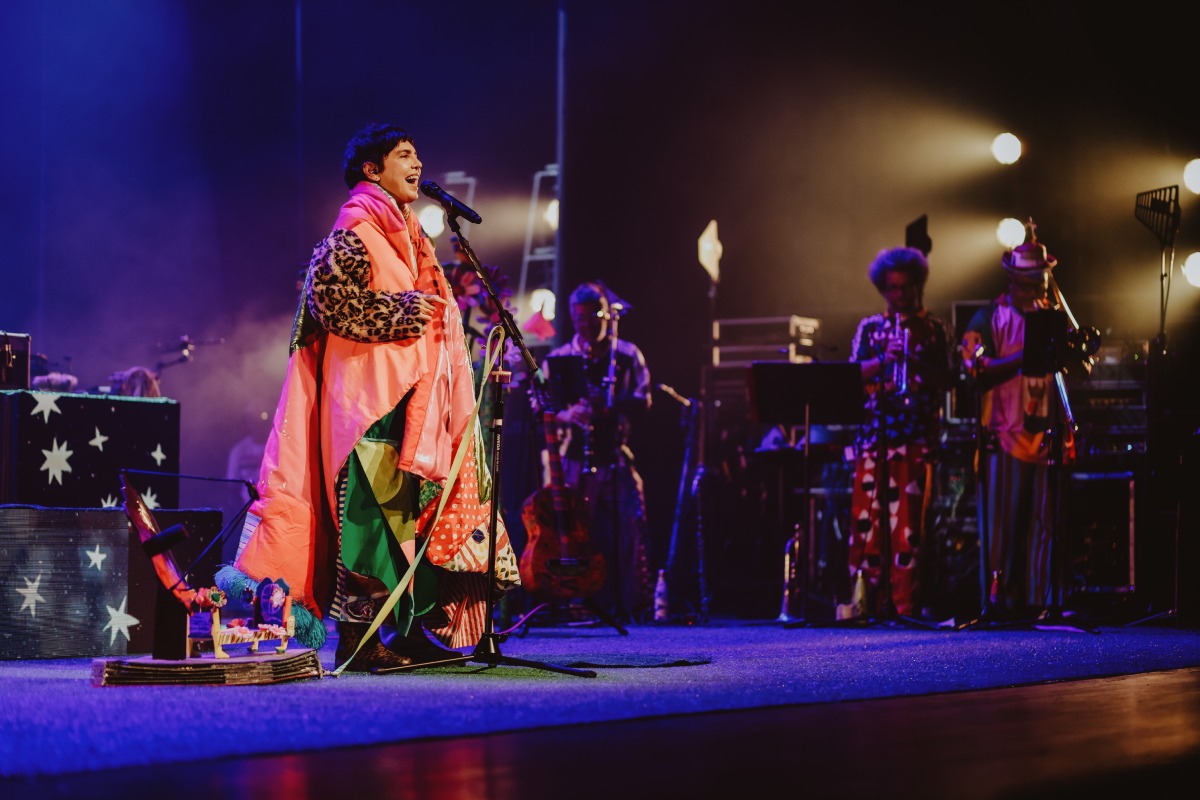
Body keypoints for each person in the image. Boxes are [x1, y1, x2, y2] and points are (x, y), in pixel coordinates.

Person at [217, 122, 520, 672]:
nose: (418, 163)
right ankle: (362, 640)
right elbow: (327, 300)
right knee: (370, 522)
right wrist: (404, 312)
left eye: (419, 154)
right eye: (404, 154)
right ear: (371, 169)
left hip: (403, 402)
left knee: (403, 520)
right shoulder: (354, 230)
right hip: (364, 409)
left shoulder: (408, 237)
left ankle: (402, 632)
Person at [961, 221, 1084, 621]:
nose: (1035, 291)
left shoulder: (1053, 317)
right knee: (1002, 527)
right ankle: (999, 602)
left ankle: (1043, 601)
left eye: (1040, 283)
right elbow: (974, 368)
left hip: (1046, 436)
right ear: (1012, 280)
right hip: (1005, 434)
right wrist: (1028, 354)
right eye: (1028, 283)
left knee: (1045, 525)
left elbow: (1076, 370)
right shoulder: (989, 318)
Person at [530, 280, 654, 622]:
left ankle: (630, 605)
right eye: (579, 319)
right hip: (571, 459)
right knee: (571, 531)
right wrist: (569, 414)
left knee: (630, 527)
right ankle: (573, 602)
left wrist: (608, 406)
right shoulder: (558, 358)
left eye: (592, 318)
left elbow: (644, 400)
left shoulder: (626, 355)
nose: (586, 326)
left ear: (605, 316)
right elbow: (539, 404)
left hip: (614, 456)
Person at [847, 246, 952, 618]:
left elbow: (948, 378)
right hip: (874, 441)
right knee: (867, 529)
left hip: (914, 441)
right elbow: (851, 378)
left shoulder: (935, 328)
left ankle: (905, 608)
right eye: (892, 288)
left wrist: (913, 358)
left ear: (917, 286)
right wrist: (884, 360)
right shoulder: (870, 328)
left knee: (907, 533)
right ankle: (865, 606)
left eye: (906, 287)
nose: (899, 294)